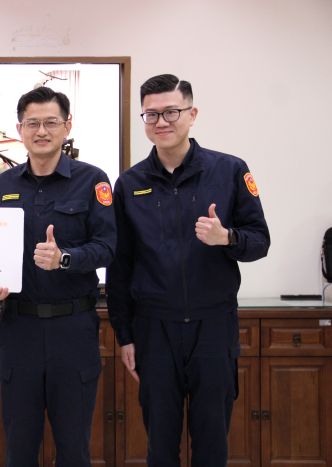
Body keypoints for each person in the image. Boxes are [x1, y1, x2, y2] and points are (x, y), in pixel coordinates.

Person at [106, 74, 270, 467]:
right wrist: (125, 336)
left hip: (213, 326)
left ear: (192, 114)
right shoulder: (129, 184)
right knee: (160, 443)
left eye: (171, 112)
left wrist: (227, 238)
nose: (161, 122)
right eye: (151, 114)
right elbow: (119, 266)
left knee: (212, 441)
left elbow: (259, 241)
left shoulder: (229, 170)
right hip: (154, 329)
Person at [0, 86, 116, 466]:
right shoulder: (3, 184)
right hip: (18, 328)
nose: (42, 131)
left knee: (73, 447)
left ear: (67, 126)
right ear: (20, 129)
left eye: (51, 122)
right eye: (33, 123)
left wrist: (65, 258)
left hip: (72, 329)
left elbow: (109, 247)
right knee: (19, 446)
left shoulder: (93, 180)